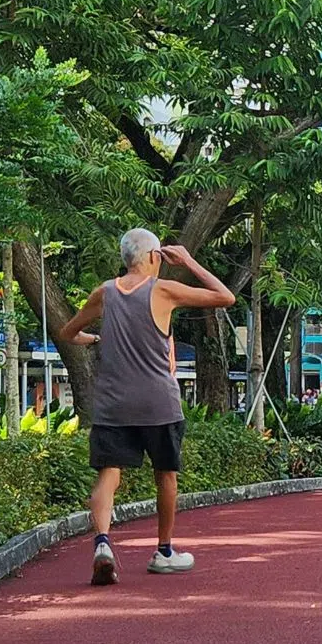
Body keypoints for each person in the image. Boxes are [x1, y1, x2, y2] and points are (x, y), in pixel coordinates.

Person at [60, 228, 237, 585]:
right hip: (158, 403)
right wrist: (188, 261)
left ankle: (102, 543)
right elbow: (226, 297)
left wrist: (94, 338)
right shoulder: (163, 290)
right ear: (155, 257)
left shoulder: (104, 293)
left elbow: (67, 333)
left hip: (113, 404)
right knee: (165, 475)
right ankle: (164, 552)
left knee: (108, 473)